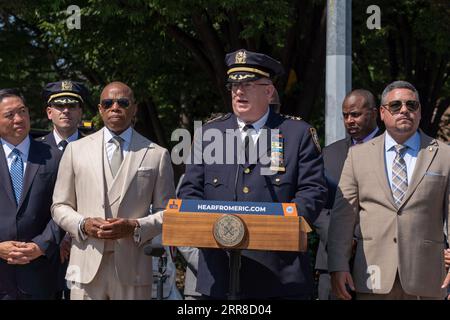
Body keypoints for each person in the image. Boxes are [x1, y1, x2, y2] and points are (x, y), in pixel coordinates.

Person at [178, 49, 328, 299]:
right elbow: (189, 190)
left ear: (268, 92)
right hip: (220, 274)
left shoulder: (296, 133)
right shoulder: (209, 133)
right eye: (234, 85)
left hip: (279, 275)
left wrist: (281, 226)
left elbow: (313, 191)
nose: (238, 91)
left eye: (247, 84)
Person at [51, 81, 175, 300]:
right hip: (86, 266)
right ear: (100, 109)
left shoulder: (157, 154)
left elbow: (169, 213)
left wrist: (136, 226)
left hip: (134, 267)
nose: (115, 107)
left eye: (123, 102)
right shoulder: (75, 150)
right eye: (108, 103)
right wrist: (82, 224)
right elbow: (60, 205)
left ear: (134, 108)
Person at [328, 80, 450, 300]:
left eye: (411, 105)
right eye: (395, 106)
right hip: (372, 276)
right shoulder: (358, 156)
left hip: (427, 278)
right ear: (382, 113)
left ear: (419, 112)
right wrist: (338, 265)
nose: (404, 110)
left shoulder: (443, 155)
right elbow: (342, 217)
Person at [314, 89, 381, 299]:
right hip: (331, 262)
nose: (350, 120)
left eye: (356, 114)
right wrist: (339, 237)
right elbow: (318, 205)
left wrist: (355, 237)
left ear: (374, 113)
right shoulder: (329, 154)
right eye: (345, 115)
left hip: (378, 260)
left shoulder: (393, 150)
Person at [0, 88, 62, 299]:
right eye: (9, 115)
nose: (18, 119)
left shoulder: (54, 157)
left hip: (40, 275)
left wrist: (41, 245)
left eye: (22, 111)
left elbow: (65, 207)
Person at [39, 80, 89, 299]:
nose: (66, 110)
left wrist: (72, 234)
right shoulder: (34, 150)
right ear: (49, 112)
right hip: (42, 248)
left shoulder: (95, 148)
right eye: (60, 106)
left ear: (80, 112)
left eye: (72, 106)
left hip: (85, 244)